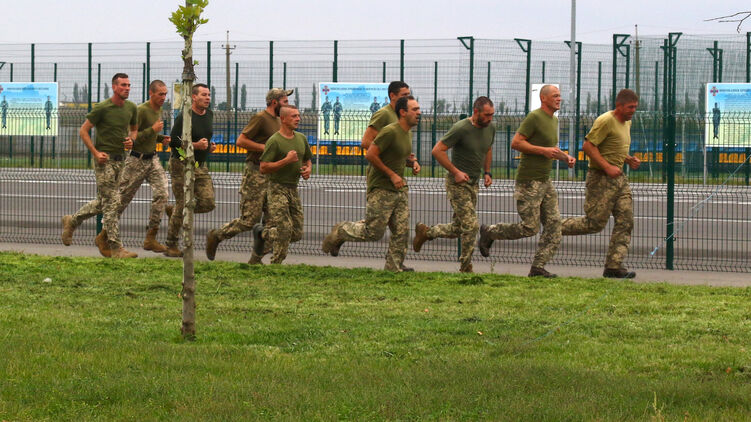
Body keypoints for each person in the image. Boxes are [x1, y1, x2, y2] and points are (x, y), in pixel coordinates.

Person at [477, 86, 575, 277]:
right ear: (543, 98)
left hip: (545, 181)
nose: (559, 99)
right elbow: (516, 143)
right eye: (555, 96)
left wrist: (565, 157)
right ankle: (490, 232)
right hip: (529, 181)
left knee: (554, 226)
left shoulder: (554, 120)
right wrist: (544, 151)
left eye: (559, 96)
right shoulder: (534, 117)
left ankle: (538, 267)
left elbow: (551, 148)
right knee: (530, 227)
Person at [322, 96, 421, 272]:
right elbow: (370, 154)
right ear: (403, 112)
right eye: (415, 109)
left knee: (402, 231)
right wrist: (392, 175)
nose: (419, 113)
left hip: (399, 189)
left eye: (418, 109)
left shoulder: (408, 133)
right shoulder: (390, 131)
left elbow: (396, 156)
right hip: (382, 188)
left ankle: (393, 268)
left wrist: (412, 163)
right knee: (373, 232)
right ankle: (341, 231)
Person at [559, 88, 641, 279]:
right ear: (619, 106)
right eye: (630, 107)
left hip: (619, 179)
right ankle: (554, 227)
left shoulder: (626, 122)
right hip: (601, 178)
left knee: (626, 220)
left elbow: (612, 147)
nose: (633, 111)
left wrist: (628, 159)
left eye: (635, 107)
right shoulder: (605, 121)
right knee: (594, 223)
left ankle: (614, 265)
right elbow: (588, 146)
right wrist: (607, 167)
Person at [206, 88, 292, 262]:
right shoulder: (260, 118)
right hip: (256, 174)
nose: (287, 104)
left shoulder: (279, 121)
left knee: (272, 221)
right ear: (274, 102)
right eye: (285, 101)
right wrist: (265, 148)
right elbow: (241, 141)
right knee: (249, 220)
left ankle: (256, 258)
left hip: (272, 175)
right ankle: (217, 235)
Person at [413, 96, 496, 273]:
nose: (490, 119)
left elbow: (488, 148)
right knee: (471, 225)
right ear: (476, 112)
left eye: (492, 115)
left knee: (458, 228)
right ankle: (466, 268)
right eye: (487, 115)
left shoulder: (490, 128)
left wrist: (487, 172)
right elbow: (437, 150)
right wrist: (455, 171)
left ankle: (426, 233)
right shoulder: (461, 128)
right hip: (457, 184)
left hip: (473, 183)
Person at [61, 73, 138, 258]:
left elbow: (134, 130)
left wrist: (131, 140)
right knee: (113, 202)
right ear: (114, 87)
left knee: (104, 202)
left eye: (128, 85)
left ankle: (72, 220)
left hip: (121, 160)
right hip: (104, 160)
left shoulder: (131, 108)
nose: (127, 88)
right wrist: (95, 153)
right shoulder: (103, 108)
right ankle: (115, 247)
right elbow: (83, 130)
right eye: (123, 85)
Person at [114, 80, 172, 254]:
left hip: (152, 159)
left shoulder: (158, 110)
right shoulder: (141, 111)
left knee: (162, 193)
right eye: (160, 94)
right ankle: (106, 235)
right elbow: (130, 137)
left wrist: (161, 138)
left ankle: (151, 237)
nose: (163, 97)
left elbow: (150, 134)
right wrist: (153, 130)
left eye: (165, 94)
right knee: (122, 199)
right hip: (136, 160)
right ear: (151, 93)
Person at [251, 105, 312, 264]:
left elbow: (307, 159)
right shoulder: (274, 141)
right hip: (277, 188)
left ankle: (263, 234)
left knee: (296, 233)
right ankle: (276, 264)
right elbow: (264, 168)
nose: (298, 119)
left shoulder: (301, 138)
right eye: (294, 116)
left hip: (293, 188)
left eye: (298, 116)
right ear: (283, 119)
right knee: (284, 229)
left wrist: (308, 169)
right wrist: (286, 160)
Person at [163, 83, 216, 257]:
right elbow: (173, 142)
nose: (207, 98)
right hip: (181, 164)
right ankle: (171, 244)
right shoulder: (185, 116)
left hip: (199, 165)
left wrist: (209, 146)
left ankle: (175, 212)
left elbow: (205, 137)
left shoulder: (209, 114)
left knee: (208, 202)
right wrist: (195, 145)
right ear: (194, 97)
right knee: (182, 203)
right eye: (203, 95)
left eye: (208, 95)